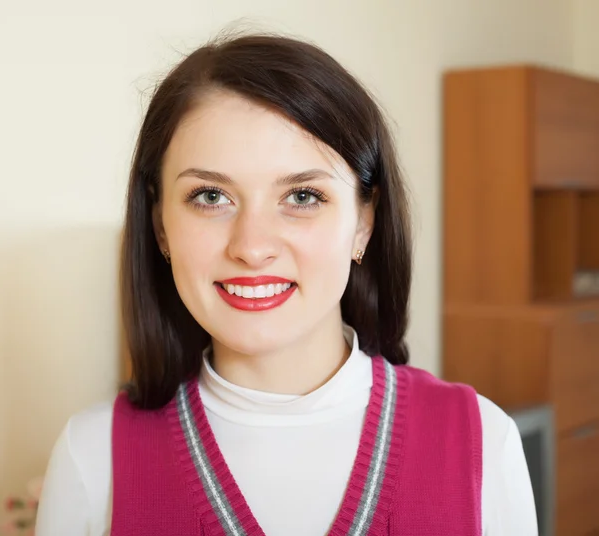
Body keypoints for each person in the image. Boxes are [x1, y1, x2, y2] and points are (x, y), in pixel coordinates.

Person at [35, 33, 537, 536]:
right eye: (210, 196)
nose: (252, 247)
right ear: (161, 224)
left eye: (302, 195)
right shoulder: (91, 457)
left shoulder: (484, 444)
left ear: (364, 222)